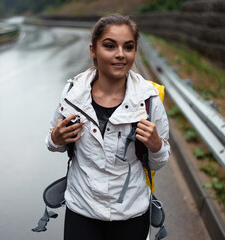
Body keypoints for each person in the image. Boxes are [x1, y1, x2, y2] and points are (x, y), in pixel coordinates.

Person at [45, 14, 170, 240]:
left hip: (132, 214)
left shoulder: (149, 100)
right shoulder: (72, 95)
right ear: (93, 50)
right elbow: (54, 144)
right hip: (81, 211)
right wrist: (56, 138)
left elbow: (158, 162)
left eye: (128, 47)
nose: (120, 54)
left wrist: (157, 145)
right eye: (110, 46)